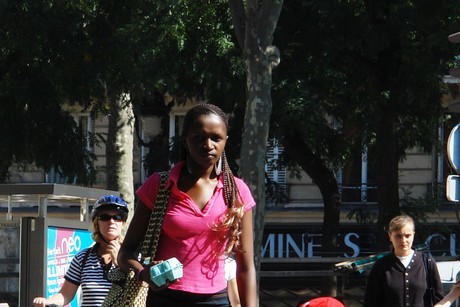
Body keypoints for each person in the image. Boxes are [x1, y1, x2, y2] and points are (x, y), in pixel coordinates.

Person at [118, 103, 257, 307]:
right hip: (165, 299)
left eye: (216, 138)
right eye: (199, 138)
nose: (208, 145)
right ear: (185, 140)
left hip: (216, 300)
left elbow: (246, 268)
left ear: (225, 141)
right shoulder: (159, 185)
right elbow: (125, 253)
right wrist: (142, 272)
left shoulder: (237, 191)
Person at [32, 195, 129, 307]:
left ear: (123, 223)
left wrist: (119, 262)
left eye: (117, 217)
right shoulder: (83, 258)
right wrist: (47, 302)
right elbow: (65, 294)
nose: (111, 222)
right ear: (96, 223)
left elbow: (138, 288)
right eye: (105, 217)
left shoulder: (132, 256)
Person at [363, 214, 444, 307]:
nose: (403, 240)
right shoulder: (381, 266)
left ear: (413, 234)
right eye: (398, 236)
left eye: (407, 235)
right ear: (390, 236)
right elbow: (371, 301)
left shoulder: (427, 262)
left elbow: (439, 299)